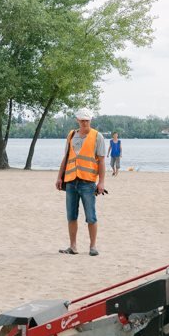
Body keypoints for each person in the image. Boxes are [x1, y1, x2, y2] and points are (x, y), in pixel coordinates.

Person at [55, 108, 106, 256]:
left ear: (91, 120)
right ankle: (73, 246)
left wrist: (101, 182)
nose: (84, 123)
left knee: (91, 216)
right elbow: (66, 157)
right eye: (82, 120)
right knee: (71, 216)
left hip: (88, 182)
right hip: (71, 181)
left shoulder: (98, 137)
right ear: (77, 120)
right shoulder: (71, 135)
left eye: (87, 120)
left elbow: (102, 161)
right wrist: (59, 177)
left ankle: (93, 246)